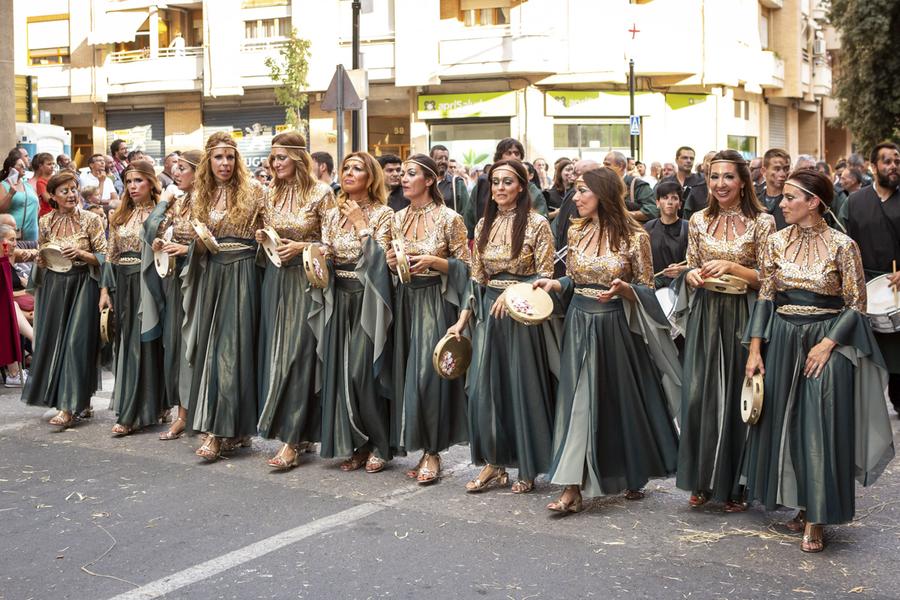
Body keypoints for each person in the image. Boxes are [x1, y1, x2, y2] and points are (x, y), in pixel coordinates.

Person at [743, 168, 893, 553]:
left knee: (821, 429)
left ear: (815, 203)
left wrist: (827, 343)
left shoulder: (845, 246)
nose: (782, 203)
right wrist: (755, 349)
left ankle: (817, 516)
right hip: (783, 341)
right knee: (789, 427)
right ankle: (801, 502)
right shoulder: (774, 243)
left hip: (829, 346)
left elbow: (857, 304)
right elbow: (765, 298)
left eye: (791, 198)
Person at [533, 167, 680, 514]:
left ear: (604, 193)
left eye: (583, 191)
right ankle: (572, 487)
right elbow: (572, 278)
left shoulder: (635, 235)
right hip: (579, 323)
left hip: (616, 327)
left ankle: (628, 470)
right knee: (577, 403)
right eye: (575, 191)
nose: (576, 198)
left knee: (618, 403)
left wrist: (627, 290)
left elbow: (647, 288)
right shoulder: (576, 229)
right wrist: (556, 285)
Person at [673, 149, 775, 510]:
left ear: (744, 181)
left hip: (745, 314)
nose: (719, 184)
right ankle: (701, 479)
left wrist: (732, 265)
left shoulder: (764, 223)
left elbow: (768, 279)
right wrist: (693, 275)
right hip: (706, 313)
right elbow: (690, 266)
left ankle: (737, 486)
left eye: (728, 177)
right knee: (701, 395)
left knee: (740, 397)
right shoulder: (698, 220)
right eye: (714, 177)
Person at [448, 159, 557, 495]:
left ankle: (527, 467)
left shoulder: (538, 225)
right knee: (486, 392)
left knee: (522, 391)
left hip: (524, 317)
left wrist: (513, 293)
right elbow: (476, 279)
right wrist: (462, 321)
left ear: (522, 187)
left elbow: (546, 276)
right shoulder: (482, 225)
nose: (499, 188)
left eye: (507, 182)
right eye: (495, 182)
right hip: (488, 318)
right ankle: (494, 465)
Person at [182, 133, 267, 461]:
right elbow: (192, 236)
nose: (225, 164)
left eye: (230, 157)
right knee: (212, 350)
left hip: (244, 274)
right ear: (208, 161)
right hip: (213, 275)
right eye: (218, 157)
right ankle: (231, 428)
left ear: (238, 160)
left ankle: (221, 431)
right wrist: (197, 244)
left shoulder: (256, 191)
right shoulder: (200, 195)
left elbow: (272, 234)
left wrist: (263, 239)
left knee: (233, 352)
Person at [387, 154, 469, 484]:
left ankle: (433, 452)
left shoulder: (450, 218)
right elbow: (392, 261)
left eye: (411, 174)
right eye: (402, 174)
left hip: (437, 301)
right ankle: (420, 446)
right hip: (405, 300)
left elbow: (468, 267)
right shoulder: (397, 218)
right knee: (408, 375)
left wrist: (437, 261)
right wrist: (392, 261)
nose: (403, 179)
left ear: (430, 180)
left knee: (429, 376)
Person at [254, 133, 334, 469]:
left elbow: (332, 242)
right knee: (276, 355)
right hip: (275, 279)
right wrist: (266, 239)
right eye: (273, 158)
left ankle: (293, 439)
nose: (275, 164)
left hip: (306, 281)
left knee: (299, 357)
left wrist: (301, 247)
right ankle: (295, 433)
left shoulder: (321, 193)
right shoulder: (268, 193)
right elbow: (262, 230)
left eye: (282, 157)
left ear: (299, 159)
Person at [318, 152, 394, 473]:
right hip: (339, 297)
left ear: (371, 177)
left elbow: (380, 261)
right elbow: (328, 251)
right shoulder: (332, 215)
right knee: (341, 374)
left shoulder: (385, 214)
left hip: (369, 298)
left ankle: (380, 443)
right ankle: (357, 444)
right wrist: (321, 254)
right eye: (346, 168)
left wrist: (363, 225)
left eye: (357, 168)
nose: (349, 173)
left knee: (363, 374)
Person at [21, 171, 107, 427]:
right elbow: (45, 253)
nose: (71, 195)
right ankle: (78, 400)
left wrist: (82, 253)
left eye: (74, 189)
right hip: (54, 287)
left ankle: (70, 407)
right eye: (65, 191)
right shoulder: (46, 221)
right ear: (53, 196)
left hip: (83, 285)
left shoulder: (91, 219)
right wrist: (40, 259)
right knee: (55, 343)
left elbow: (104, 257)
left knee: (76, 344)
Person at [99, 160, 164, 436]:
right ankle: (141, 406)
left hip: (148, 281)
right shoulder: (119, 216)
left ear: (151, 183)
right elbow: (110, 257)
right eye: (128, 182)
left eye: (138, 180)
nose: (133, 186)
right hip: (122, 284)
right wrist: (104, 291)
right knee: (126, 344)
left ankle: (134, 412)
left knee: (147, 344)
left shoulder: (161, 214)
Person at [145, 150, 203, 441]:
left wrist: (186, 249)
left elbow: (218, 242)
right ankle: (182, 413)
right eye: (175, 168)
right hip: (173, 280)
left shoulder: (206, 202)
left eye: (182, 168)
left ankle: (199, 413)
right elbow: (150, 230)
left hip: (199, 280)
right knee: (175, 345)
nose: (176, 173)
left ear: (197, 172)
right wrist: (164, 205)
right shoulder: (177, 202)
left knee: (194, 346)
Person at [846, 141, 900, 415]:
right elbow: (842, 242)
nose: (893, 166)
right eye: (887, 161)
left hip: (897, 286)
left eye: (897, 161)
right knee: (866, 352)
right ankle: (866, 408)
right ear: (873, 166)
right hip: (864, 287)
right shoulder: (855, 201)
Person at [463, 138, 547, 237]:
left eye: (517, 153)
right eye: (509, 153)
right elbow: (470, 218)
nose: (513, 156)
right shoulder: (484, 183)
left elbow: (539, 220)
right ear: (499, 157)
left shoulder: (530, 188)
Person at [644, 180, 689, 288]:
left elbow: (699, 262)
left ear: (680, 205)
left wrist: (684, 269)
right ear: (657, 203)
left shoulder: (689, 227)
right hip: (654, 288)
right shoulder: (648, 227)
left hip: (681, 287)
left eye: (674, 198)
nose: (670, 202)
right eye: (665, 198)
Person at [603, 151, 657, 222]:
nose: (604, 168)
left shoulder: (638, 185)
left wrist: (626, 215)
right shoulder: (603, 185)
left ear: (620, 166)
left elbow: (652, 211)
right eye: (604, 164)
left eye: (607, 164)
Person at [658, 147, 707, 219]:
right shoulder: (666, 182)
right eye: (685, 158)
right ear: (676, 160)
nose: (689, 161)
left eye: (691, 158)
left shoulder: (702, 180)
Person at [0, 151, 39, 242]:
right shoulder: (3, 185)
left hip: (33, 234)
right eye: (20, 165)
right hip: (13, 234)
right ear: (11, 169)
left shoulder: (28, 185)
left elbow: (37, 207)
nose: (24, 167)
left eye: (23, 165)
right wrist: (10, 194)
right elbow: (1, 210)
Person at [754, 148, 791, 230]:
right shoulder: (754, 200)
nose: (782, 174)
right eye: (777, 169)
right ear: (764, 171)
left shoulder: (793, 201)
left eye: (786, 169)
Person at [431, 145, 469, 215]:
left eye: (446, 159)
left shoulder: (457, 183)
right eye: (440, 158)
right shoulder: (424, 184)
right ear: (431, 159)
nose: (443, 161)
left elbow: (466, 213)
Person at [31, 153, 55, 218]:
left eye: (53, 164)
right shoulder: (40, 182)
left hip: (57, 212)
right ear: (41, 166)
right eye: (49, 164)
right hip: (47, 214)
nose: (52, 166)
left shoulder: (56, 178)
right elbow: (47, 199)